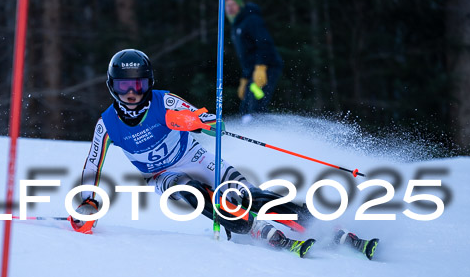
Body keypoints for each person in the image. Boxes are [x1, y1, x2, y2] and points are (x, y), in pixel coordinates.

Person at [70, 49, 319, 257]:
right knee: (193, 192)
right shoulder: (107, 125)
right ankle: (252, 227)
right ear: (111, 86)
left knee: (247, 194)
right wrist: (88, 200)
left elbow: (205, 117)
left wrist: (203, 123)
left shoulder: (165, 101)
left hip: (195, 157)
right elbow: (93, 165)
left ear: (149, 83)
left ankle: (312, 222)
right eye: (123, 86)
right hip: (161, 175)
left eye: (138, 85)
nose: (131, 94)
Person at [225, 0, 284, 123]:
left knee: (256, 103)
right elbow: (247, 56)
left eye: (232, 4)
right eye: (227, 5)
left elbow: (264, 43)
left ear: (240, 4)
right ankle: (249, 133)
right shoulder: (237, 26)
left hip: (267, 67)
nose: (230, 8)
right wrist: (245, 79)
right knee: (245, 106)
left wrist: (261, 67)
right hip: (252, 71)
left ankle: (264, 134)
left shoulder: (251, 19)